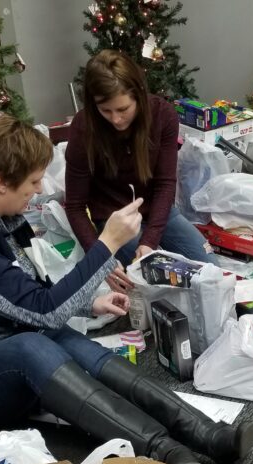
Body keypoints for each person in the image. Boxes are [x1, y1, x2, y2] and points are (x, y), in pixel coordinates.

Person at [0, 113, 253, 464]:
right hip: (6, 363)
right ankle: (163, 452)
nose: (40, 190)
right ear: (1, 182)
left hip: (10, 345)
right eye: (34, 181)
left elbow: (27, 297)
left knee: (63, 339)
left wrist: (89, 303)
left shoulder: (6, 224)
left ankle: (207, 434)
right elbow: (42, 309)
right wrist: (107, 244)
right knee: (35, 342)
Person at [65, 49, 217, 295]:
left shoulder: (163, 115)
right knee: (155, 284)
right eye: (106, 111)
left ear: (139, 96)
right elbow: (74, 206)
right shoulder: (84, 128)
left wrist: (150, 240)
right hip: (115, 221)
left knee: (211, 273)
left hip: (160, 211)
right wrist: (99, 257)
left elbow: (166, 184)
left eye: (123, 109)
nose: (116, 119)